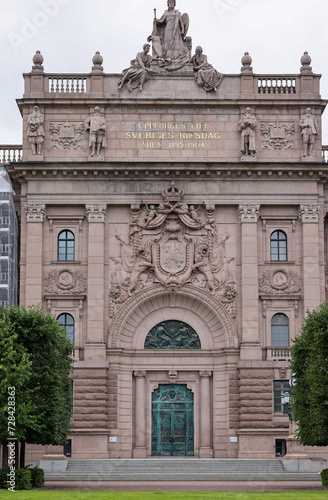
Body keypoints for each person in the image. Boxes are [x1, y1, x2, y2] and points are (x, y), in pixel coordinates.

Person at [148, 0, 190, 70]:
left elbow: (181, 22)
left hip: (176, 30)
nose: (171, 4)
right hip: (168, 29)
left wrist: (182, 29)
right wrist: (156, 20)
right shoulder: (166, 13)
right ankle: (167, 57)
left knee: (176, 44)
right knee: (167, 44)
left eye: (172, 3)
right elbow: (161, 21)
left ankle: (175, 57)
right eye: (170, 3)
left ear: (174, 4)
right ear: (168, 4)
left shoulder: (177, 12)